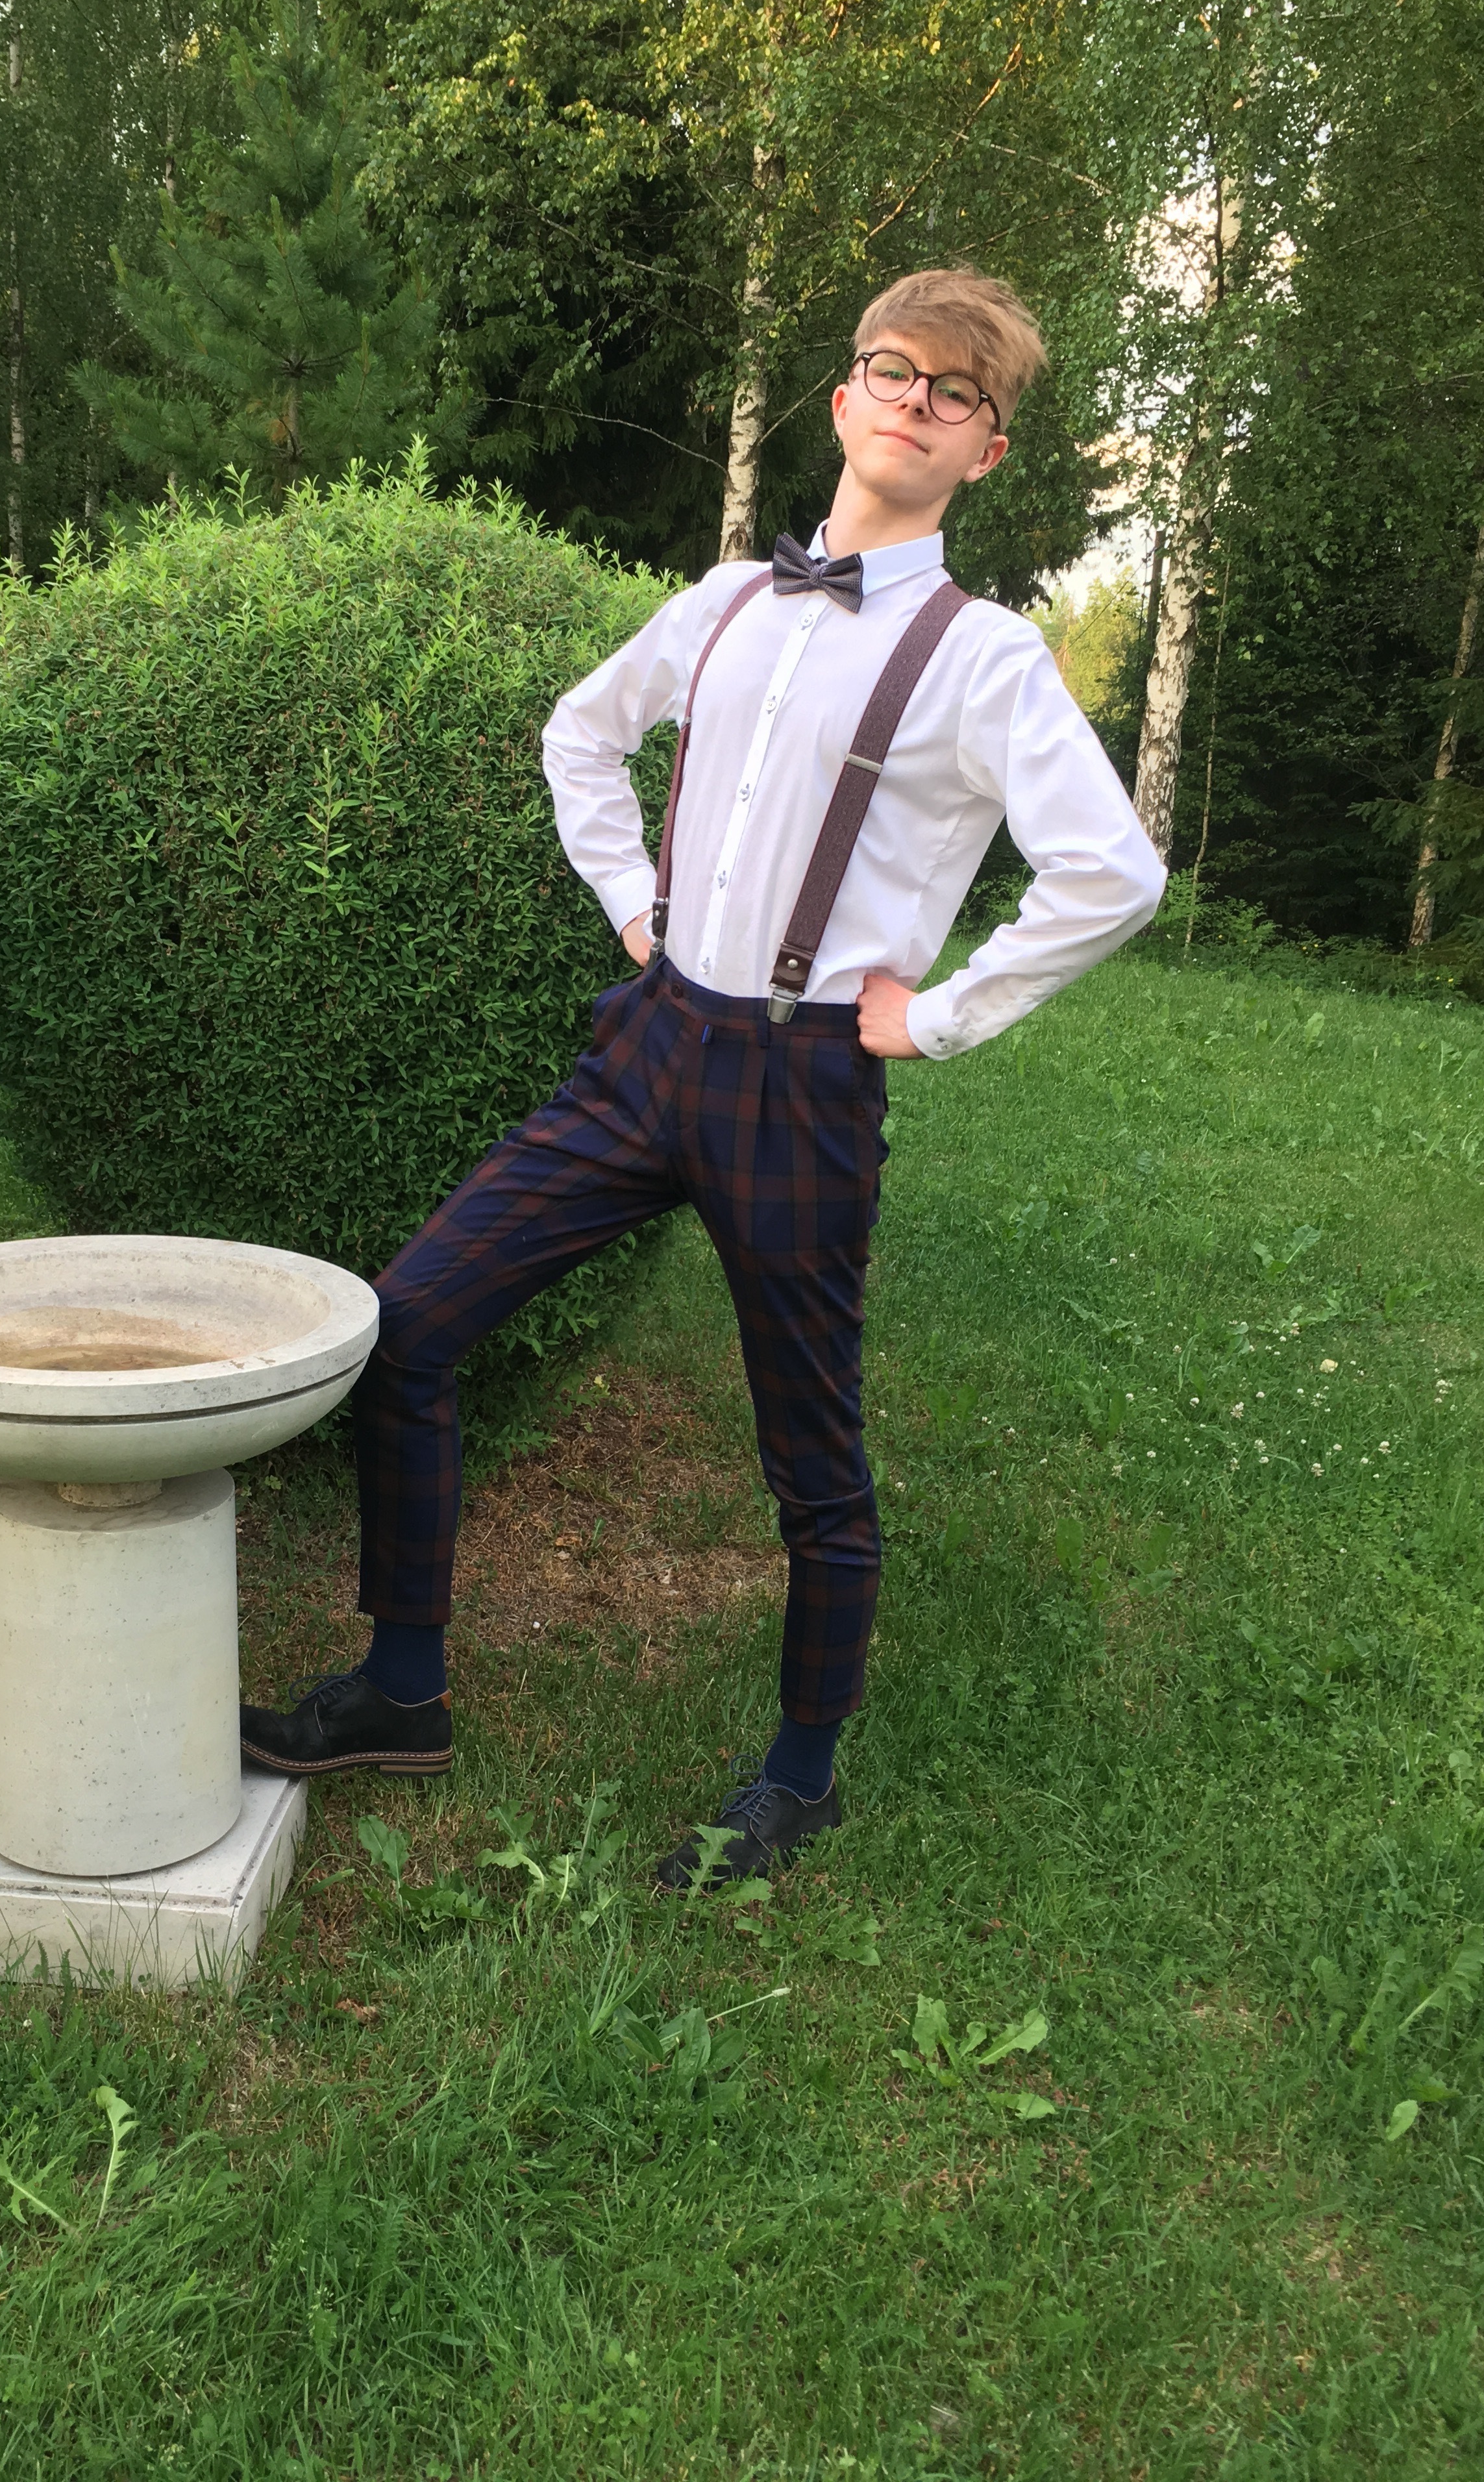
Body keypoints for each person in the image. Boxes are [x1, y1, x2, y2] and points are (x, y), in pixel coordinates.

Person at [240, 267, 1167, 1888]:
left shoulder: (986, 659)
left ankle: (800, 1779)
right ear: (844, 397)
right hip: (651, 1044)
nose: (918, 402)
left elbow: (1113, 874)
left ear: (987, 449)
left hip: (803, 1083)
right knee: (406, 1327)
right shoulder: (732, 599)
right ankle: (402, 1685)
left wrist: (941, 1016)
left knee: (812, 1453)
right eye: (896, 370)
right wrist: (635, 904)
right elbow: (580, 735)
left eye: (957, 393)